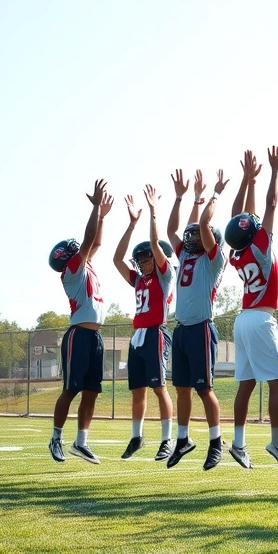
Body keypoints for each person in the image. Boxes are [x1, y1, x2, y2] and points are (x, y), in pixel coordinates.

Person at [223, 149, 278, 472]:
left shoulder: (237, 252)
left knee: (247, 384)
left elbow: (238, 219)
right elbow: (269, 206)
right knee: (277, 383)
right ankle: (277, 444)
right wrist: (274, 172)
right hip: (261, 318)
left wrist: (247, 180)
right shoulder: (260, 246)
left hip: (243, 318)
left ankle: (238, 443)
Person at [165, 169, 228, 470]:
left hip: (202, 328)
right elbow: (172, 231)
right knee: (182, 389)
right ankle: (183, 440)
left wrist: (213, 194)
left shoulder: (213, 259)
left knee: (205, 390)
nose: (190, 238)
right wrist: (183, 197)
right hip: (181, 331)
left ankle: (216, 442)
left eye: (197, 236)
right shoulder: (188, 256)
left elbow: (203, 223)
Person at [47, 179, 113, 464]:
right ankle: (56, 439)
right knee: (71, 389)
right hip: (78, 335)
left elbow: (96, 241)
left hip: (94, 337)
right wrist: (96, 207)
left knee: (91, 391)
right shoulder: (71, 271)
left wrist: (102, 217)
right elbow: (89, 241)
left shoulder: (82, 265)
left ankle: (81, 442)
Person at [111, 186, 176, 462]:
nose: (143, 262)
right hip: (138, 336)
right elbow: (116, 259)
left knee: (159, 387)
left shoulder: (165, 275)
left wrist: (152, 213)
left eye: (147, 256)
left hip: (155, 334)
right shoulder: (139, 279)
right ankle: (137, 436)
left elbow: (155, 244)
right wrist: (130, 225)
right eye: (140, 259)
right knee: (137, 391)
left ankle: (167, 439)